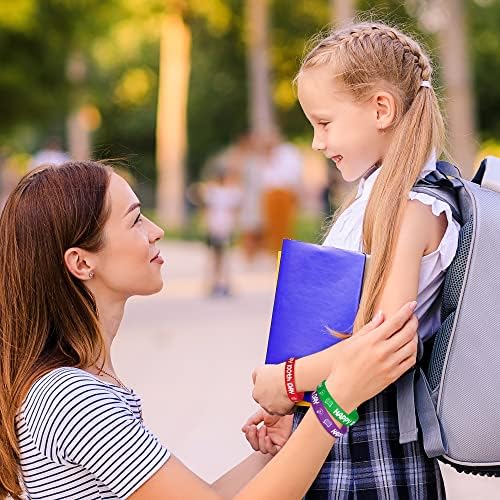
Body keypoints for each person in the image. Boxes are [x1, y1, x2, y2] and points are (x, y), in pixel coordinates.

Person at [0, 161, 418, 499]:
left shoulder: (80, 385)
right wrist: (335, 402)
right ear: (81, 263)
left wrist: (283, 445)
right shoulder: (73, 399)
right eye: (134, 221)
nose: (155, 231)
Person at [247, 21, 460, 499]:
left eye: (324, 123)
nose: (318, 143)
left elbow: (380, 347)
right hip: (340, 432)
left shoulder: (413, 206)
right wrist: (295, 404)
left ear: (380, 108)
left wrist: (280, 382)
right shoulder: (379, 197)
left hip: (372, 451)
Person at [201, 165, 242, 296]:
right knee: (218, 257)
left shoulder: (226, 192)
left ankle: (222, 283)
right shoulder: (216, 192)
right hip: (220, 226)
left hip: (221, 226)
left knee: (221, 257)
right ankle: (217, 283)